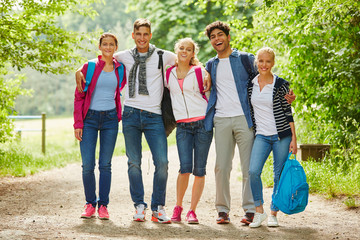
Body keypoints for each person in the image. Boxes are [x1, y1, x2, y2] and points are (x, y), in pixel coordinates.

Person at [203, 21, 296, 225]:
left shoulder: (246, 59)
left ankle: (251, 210)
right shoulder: (211, 64)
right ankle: (222, 210)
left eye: (220, 35)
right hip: (221, 119)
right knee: (222, 166)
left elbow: (266, 79)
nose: (217, 39)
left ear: (228, 36)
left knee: (248, 168)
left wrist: (286, 96)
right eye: (212, 37)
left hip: (245, 120)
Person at [73, 33, 126, 220]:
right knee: (87, 165)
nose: (108, 47)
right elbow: (79, 97)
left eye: (112, 44)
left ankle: (103, 205)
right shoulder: (89, 67)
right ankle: (89, 204)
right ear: (100, 46)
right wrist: (78, 124)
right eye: (105, 44)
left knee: (105, 164)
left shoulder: (121, 69)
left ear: (116, 47)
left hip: (110, 119)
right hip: (89, 119)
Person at [248, 47, 297, 228]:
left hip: (281, 136)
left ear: (273, 63)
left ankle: (274, 213)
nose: (264, 64)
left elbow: (288, 112)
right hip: (261, 135)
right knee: (253, 172)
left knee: (278, 174)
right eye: (261, 61)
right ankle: (259, 212)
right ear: (256, 62)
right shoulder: (250, 84)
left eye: (268, 61)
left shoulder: (281, 84)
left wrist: (294, 139)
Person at [165, 38, 213, 224]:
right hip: (183, 126)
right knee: (184, 168)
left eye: (189, 49)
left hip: (202, 125)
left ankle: (192, 211)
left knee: (199, 170)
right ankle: (178, 207)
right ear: (176, 51)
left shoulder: (200, 72)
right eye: (181, 48)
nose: (184, 51)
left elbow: (210, 96)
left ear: (194, 53)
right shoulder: (168, 73)